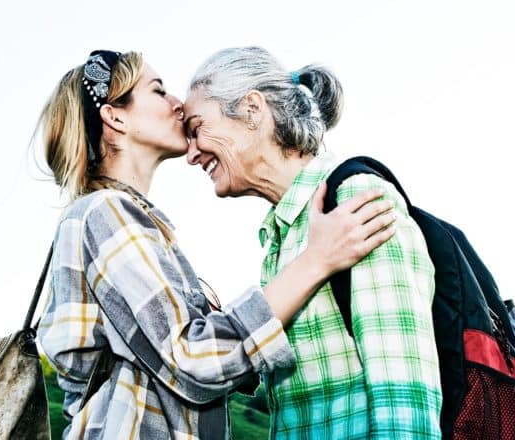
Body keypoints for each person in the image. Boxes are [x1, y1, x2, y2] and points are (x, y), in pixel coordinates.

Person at [35, 50, 396, 439]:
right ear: (115, 116)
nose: (177, 105)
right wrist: (317, 261)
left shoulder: (130, 220)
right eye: (158, 91)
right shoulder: (105, 214)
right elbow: (191, 359)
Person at [184, 46, 443, 439]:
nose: (190, 153)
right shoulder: (284, 234)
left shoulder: (355, 200)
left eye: (197, 128)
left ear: (252, 110)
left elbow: (404, 393)